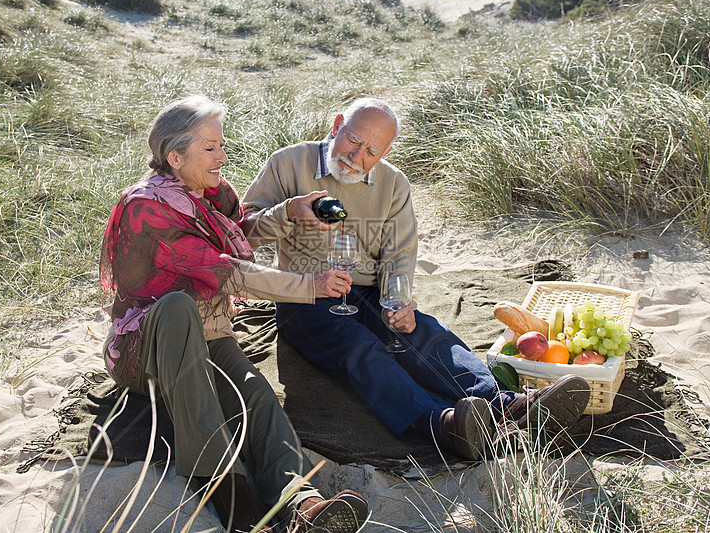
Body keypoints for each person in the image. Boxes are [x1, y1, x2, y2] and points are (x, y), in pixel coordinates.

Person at [240, 97, 590, 460]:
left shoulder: (393, 184)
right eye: (353, 140)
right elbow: (243, 232)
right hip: (306, 295)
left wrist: (399, 301)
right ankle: (445, 424)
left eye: (372, 151)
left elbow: (399, 254)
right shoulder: (288, 163)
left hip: (370, 291)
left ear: (386, 151)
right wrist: (288, 213)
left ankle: (511, 407)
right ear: (337, 125)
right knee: (361, 348)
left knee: (423, 333)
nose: (357, 156)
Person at [99, 96, 369, 533]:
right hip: (147, 346)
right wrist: (309, 287)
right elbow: (225, 272)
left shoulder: (212, 192)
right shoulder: (144, 208)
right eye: (210, 148)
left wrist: (288, 213)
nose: (223, 157)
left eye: (222, 145)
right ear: (175, 156)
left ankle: (301, 501)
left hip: (208, 332)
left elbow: (236, 235)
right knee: (176, 306)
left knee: (256, 396)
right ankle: (228, 490)